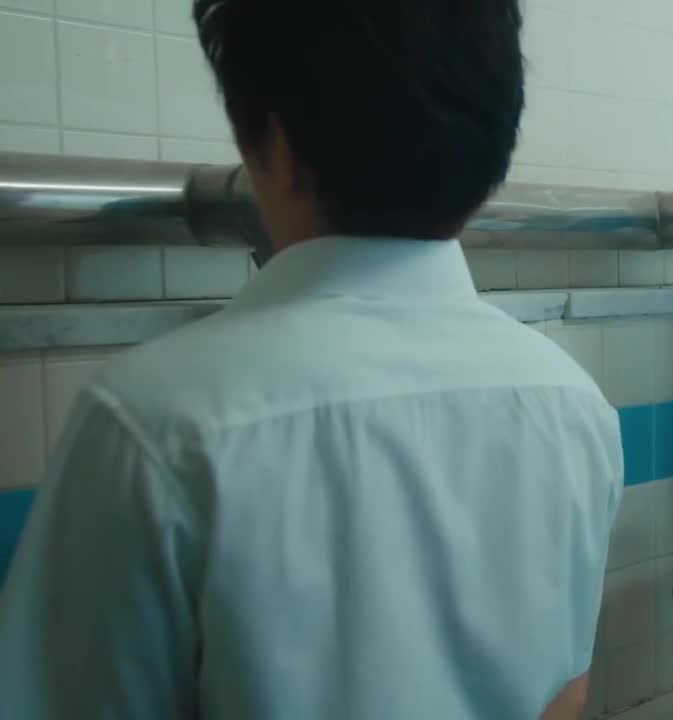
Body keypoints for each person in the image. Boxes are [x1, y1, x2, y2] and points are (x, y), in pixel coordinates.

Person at [0, 2, 621, 718]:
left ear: (276, 141)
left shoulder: (155, 426)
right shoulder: (573, 407)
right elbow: (565, 695)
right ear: (492, 148)